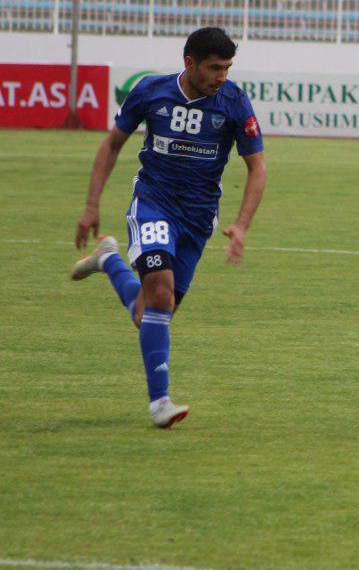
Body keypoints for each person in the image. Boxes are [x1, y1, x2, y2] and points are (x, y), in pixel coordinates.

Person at [70, 28, 267, 429]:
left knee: (151, 315)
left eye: (228, 68)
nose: (222, 76)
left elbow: (257, 167)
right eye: (215, 67)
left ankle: (109, 260)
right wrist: (91, 206)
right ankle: (160, 403)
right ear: (189, 63)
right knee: (159, 292)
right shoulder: (151, 91)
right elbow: (111, 146)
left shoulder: (234, 101)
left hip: (197, 218)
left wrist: (241, 226)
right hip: (153, 204)